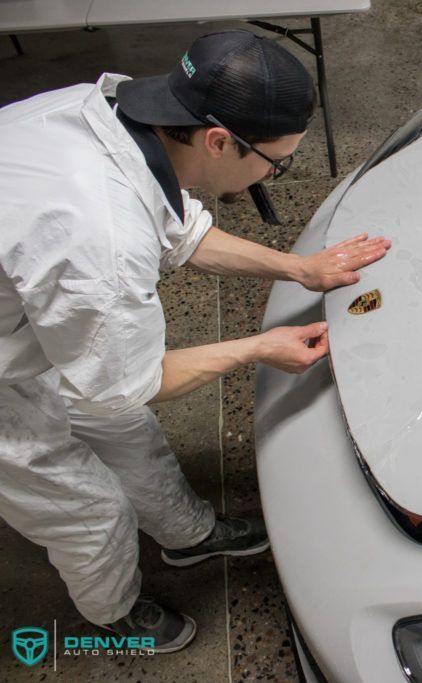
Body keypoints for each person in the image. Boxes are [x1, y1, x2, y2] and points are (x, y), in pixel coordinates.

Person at [0, 30, 390, 652]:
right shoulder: (100, 234)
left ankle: (188, 536)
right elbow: (124, 387)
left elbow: (177, 231)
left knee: (131, 442)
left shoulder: (113, 117)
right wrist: (259, 348)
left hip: (29, 305)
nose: (274, 173)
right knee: (88, 510)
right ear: (218, 141)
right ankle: (114, 615)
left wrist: (301, 269)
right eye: (276, 162)